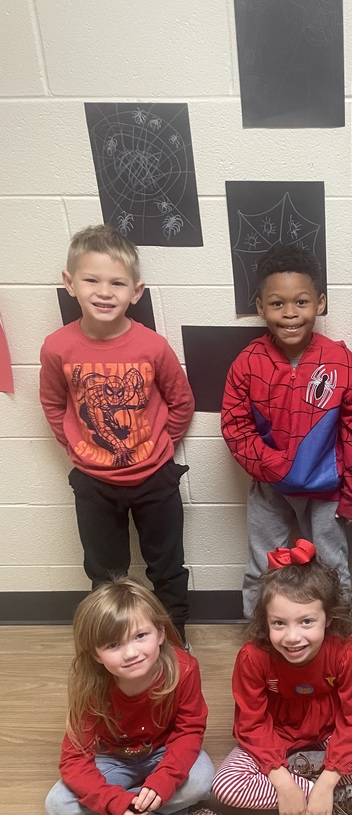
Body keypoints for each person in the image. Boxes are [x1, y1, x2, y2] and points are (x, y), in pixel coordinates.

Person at [39, 225, 194, 646]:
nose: (104, 292)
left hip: (154, 477)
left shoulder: (153, 346)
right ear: (70, 283)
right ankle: (114, 640)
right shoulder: (57, 347)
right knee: (105, 571)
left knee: (167, 565)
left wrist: (160, 446)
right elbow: (53, 405)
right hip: (94, 483)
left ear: (136, 291)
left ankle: (175, 636)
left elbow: (181, 403)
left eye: (117, 282)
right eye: (91, 279)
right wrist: (75, 445)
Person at [211, 540, 352, 815]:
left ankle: (316, 779)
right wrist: (281, 780)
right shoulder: (253, 657)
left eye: (306, 621)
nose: (293, 637)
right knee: (226, 786)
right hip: (278, 735)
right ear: (264, 620)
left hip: (332, 731)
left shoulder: (343, 651)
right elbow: (251, 723)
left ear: (328, 618)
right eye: (279, 623)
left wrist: (329, 778)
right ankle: (348, 795)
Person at [221, 244, 352, 617]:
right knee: (262, 564)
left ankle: (339, 639)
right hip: (270, 487)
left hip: (328, 491)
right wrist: (276, 467)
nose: (290, 313)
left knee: (332, 565)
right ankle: (259, 638)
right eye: (277, 304)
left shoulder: (340, 361)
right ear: (260, 307)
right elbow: (235, 427)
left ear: (319, 303)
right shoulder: (246, 363)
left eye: (301, 302)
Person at [45, 579, 231, 815]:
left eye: (140, 636)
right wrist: (113, 801)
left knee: (202, 780)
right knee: (56, 805)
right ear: (95, 654)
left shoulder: (184, 669)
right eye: (113, 644)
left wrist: (162, 782)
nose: (131, 653)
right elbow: (74, 758)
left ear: (160, 632)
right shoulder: (90, 686)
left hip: (163, 752)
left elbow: (189, 731)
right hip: (111, 759)